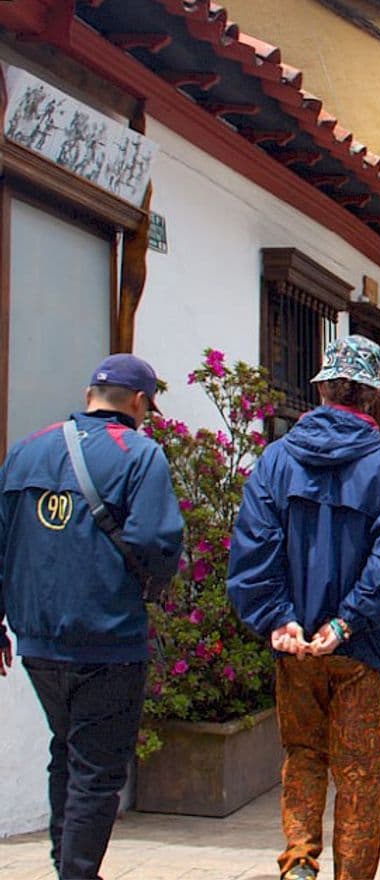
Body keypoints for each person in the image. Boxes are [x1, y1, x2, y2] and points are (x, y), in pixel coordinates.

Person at [229, 335, 380, 880]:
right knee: (358, 774)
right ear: (373, 398)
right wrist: (346, 621)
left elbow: (253, 547)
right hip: (358, 647)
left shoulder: (276, 460)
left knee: (303, 756)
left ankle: (299, 862)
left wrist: (279, 618)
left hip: (295, 646)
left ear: (322, 387)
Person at [0, 353, 183, 880]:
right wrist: (154, 582)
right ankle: (76, 872)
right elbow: (156, 539)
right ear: (140, 402)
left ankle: (68, 864)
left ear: (88, 397)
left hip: (36, 640)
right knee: (98, 769)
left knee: (68, 750)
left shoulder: (25, 450)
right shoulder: (139, 453)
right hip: (106, 638)